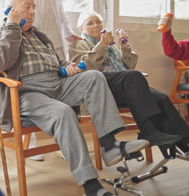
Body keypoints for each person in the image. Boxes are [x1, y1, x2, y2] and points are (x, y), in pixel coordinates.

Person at [0, 0, 149, 196]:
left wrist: (67, 66)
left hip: (57, 83)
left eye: (34, 7)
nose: (33, 11)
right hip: (26, 91)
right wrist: (11, 27)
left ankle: (109, 145)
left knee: (94, 77)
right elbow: (0, 63)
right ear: (10, 9)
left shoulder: (39, 35)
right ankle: (91, 186)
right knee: (63, 112)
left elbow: (55, 62)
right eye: (27, 6)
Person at [69, 11, 189, 154]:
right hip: (101, 90)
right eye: (90, 23)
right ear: (81, 29)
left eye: (98, 22)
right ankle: (149, 132)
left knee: (161, 98)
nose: (96, 25)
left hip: (126, 88)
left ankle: (184, 141)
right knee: (134, 76)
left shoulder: (110, 47)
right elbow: (86, 69)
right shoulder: (78, 44)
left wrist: (124, 47)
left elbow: (129, 66)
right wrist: (101, 46)